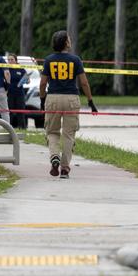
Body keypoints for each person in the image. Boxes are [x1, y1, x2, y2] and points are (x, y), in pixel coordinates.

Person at [39, 31, 97, 179]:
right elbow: (84, 82)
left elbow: (43, 82)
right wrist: (90, 101)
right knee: (69, 134)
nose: (70, 41)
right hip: (71, 98)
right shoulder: (75, 60)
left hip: (53, 97)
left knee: (52, 132)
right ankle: (65, 168)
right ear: (66, 43)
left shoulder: (49, 60)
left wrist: (42, 98)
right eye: (69, 39)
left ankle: (54, 157)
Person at [6, 53, 28, 129]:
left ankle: (22, 127)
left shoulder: (20, 69)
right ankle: (9, 127)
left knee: (20, 111)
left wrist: (24, 80)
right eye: (9, 60)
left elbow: (28, 80)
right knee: (10, 112)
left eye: (12, 59)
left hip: (19, 93)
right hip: (10, 93)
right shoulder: (6, 68)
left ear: (16, 60)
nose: (10, 61)